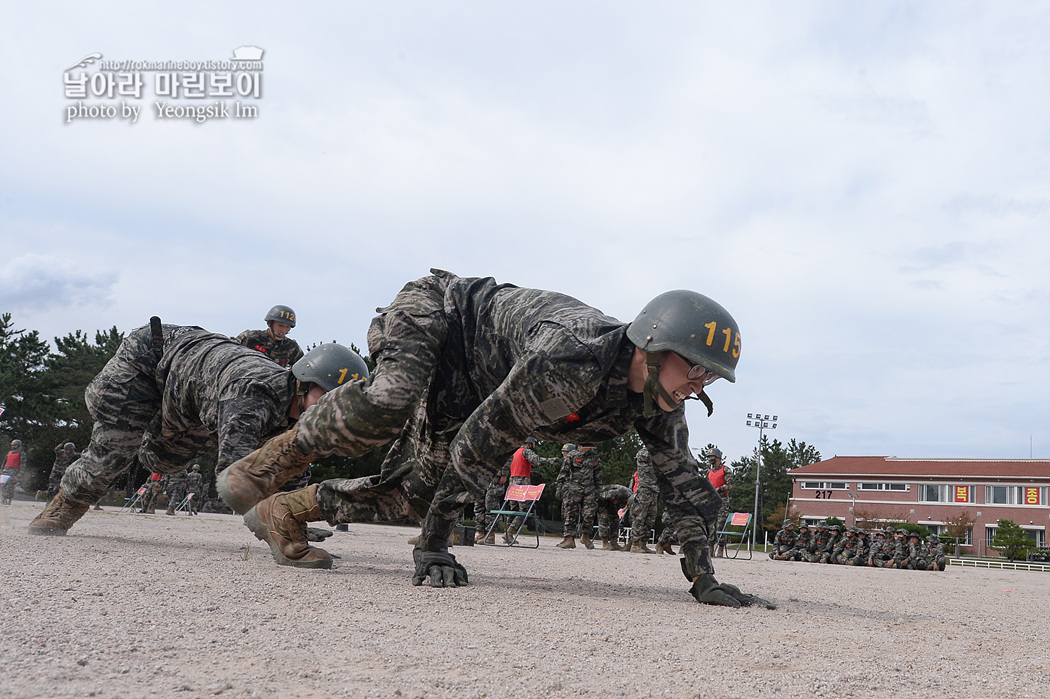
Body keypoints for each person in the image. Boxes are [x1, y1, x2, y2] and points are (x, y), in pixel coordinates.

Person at [220, 270, 774, 608]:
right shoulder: (571, 359)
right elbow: (482, 445)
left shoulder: (661, 402)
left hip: (479, 380)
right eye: (694, 368)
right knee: (390, 399)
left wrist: (704, 578)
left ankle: (284, 510)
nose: (699, 385)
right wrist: (435, 545)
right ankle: (273, 460)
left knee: (414, 494)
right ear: (652, 347)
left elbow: (681, 487)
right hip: (444, 314)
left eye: (709, 378)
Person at [27, 319, 366, 536]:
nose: (333, 406)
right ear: (304, 381)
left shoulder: (303, 416)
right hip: (149, 360)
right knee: (115, 450)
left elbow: (291, 470)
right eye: (329, 394)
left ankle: (152, 429)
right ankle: (64, 506)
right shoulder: (251, 396)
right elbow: (236, 475)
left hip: (191, 399)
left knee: (164, 462)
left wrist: (296, 518)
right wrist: (277, 527)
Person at [555, 442, 602, 550]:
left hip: (589, 489)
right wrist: (559, 486)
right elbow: (564, 472)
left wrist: (599, 489)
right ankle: (569, 538)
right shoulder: (573, 455)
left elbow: (598, 474)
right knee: (571, 513)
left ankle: (585, 536)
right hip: (574, 488)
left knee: (589, 514)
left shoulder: (594, 457)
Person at [235, 305, 305, 368]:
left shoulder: (291, 347)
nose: (283, 331)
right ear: (270, 323)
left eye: (287, 327)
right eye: (280, 325)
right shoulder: (249, 338)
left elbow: (302, 368)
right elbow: (230, 354)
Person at [702, 446, 733, 557]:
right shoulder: (709, 472)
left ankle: (721, 547)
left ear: (718, 457)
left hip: (722, 500)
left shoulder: (726, 470)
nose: (710, 459)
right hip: (711, 501)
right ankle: (710, 547)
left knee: (721, 524)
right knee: (710, 525)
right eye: (709, 457)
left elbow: (730, 485)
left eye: (712, 456)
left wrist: (718, 489)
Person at [629, 446, 659, 554]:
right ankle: (635, 544)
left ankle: (643, 544)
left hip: (655, 490)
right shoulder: (643, 453)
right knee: (639, 518)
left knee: (650, 518)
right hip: (645, 489)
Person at [595, 483, 632, 550]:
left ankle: (614, 543)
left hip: (610, 501)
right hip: (601, 498)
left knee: (615, 519)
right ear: (628, 501)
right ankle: (605, 543)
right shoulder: (620, 493)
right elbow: (603, 496)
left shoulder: (631, 497)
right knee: (603, 519)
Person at [2, 439, 27, 505]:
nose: (14, 446)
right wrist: (1, 470)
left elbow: (23, 463)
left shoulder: (22, 453)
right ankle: (3, 498)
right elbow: (5, 462)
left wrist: (21, 472)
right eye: (13, 445)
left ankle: (8, 499)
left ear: (18, 445)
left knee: (10, 486)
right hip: (6, 470)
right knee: (3, 485)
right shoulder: (9, 453)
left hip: (14, 471)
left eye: (15, 445)